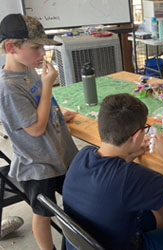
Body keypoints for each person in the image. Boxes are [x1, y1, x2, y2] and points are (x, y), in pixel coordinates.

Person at [63, 93, 163, 250]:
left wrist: (131, 153)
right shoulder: (130, 177)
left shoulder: (84, 154)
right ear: (137, 135)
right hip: (115, 244)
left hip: (87, 238)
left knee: (162, 211)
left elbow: (113, 177)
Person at [0, 14, 78, 250]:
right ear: (10, 47)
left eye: (42, 46)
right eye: (36, 47)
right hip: (38, 165)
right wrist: (46, 85)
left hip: (58, 153)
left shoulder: (27, 68)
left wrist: (56, 114)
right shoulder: (8, 86)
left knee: (77, 200)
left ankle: (75, 241)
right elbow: (34, 128)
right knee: (43, 213)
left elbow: (37, 109)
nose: (42, 53)